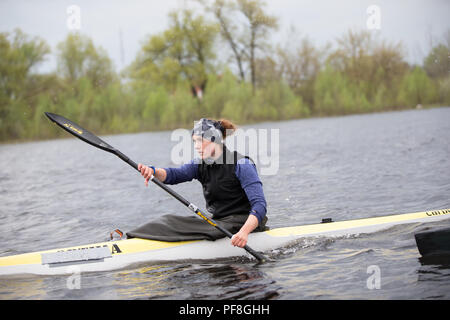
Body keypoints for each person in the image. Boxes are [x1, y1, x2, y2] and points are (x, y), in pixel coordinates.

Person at [126, 118, 268, 248]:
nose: (196, 146)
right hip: (220, 223)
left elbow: (259, 205)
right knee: (168, 220)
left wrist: (244, 233)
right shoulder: (199, 164)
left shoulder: (242, 164)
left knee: (170, 222)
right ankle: (130, 240)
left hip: (244, 223)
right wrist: (152, 171)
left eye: (200, 140)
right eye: (194, 141)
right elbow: (174, 175)